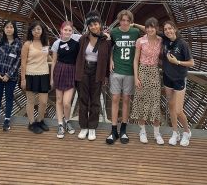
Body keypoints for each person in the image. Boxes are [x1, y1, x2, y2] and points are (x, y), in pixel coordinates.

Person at [75, 11, 111, 141]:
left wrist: (106, 76)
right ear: (88, 27)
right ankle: (83, 127)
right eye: (91, 25)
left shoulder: (106, 40)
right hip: (84, 70)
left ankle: (92, 128)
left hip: (98, 71)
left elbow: (108, 59)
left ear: (100, 24)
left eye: (96, 24)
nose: (94, 27)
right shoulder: (83, 39)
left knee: (95, 100)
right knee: (83, 99)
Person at [106, 10, 141, 145]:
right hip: (117, 70)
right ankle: (113, 130)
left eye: (128, 20)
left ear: (130, 21)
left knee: (126, 100)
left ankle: (123, 130)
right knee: (115, 99)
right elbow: (109, 46)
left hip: (130, 72)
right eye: (123, 20)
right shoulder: (114, 32)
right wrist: (110, 60)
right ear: (119, 20)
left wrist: (136, 25)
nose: (125, 22)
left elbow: (152, 32)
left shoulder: (135, 32)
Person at [130, 17, 164, 145]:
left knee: (155, 101)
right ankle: (142, 131)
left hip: (154, 72)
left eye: (152, 27)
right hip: (142, 71)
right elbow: (135, 59)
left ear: (156, 28)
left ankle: (156, 133)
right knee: (141, 101)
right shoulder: (140, 41)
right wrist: (136, 77)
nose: (150, 29)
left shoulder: (161, 40)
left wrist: (135, 24)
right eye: (148, 27)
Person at [161, 20, 194, 146]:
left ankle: (187, 131)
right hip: (167, 77)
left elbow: (191, 63)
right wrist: (134, 24)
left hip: (179, 79)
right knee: (171, 106)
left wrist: (178, 62)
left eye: (170, 28)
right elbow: (149, 29)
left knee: (179, 110)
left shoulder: (182, 44)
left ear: (174, 29)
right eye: (165, 29)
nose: (168, 31)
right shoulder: (165, 39)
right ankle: (175, 132)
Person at [50, 21, 80, 138]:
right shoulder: (56, 44)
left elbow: (89, 36)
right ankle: (60, 124)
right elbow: (53, 61)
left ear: (72, 31)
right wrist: (51, 78)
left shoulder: (76, 39)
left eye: (69, 30)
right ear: (61, 30)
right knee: (59, 100)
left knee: (67, 103)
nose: (67, 32)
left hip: (71, 71)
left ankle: (67, 121)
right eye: (65, 30)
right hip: (60, 70)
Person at [0, 21, 22, 131]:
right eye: (7, 27)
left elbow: (18, 61)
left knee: (9, 98)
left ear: (14, 29)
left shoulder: (18, 43)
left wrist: (8, 75)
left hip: (11, 77)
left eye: (11, 27)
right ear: (4, 29)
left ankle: (7, 120)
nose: (9, 29)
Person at [21, 21, 51, 134]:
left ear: (42, 30)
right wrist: (23, 78)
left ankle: (40, 120)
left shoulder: (45, 43)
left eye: (39, 29)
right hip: (30, 74)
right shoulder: (27, 44)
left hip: (43, 74)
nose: (36, 31)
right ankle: (31, 123)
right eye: (34, 30)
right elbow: (23, 62)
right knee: (31, 100)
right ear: (31, 31)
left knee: (43, 101)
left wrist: (57, 62)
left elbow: (47, 56)